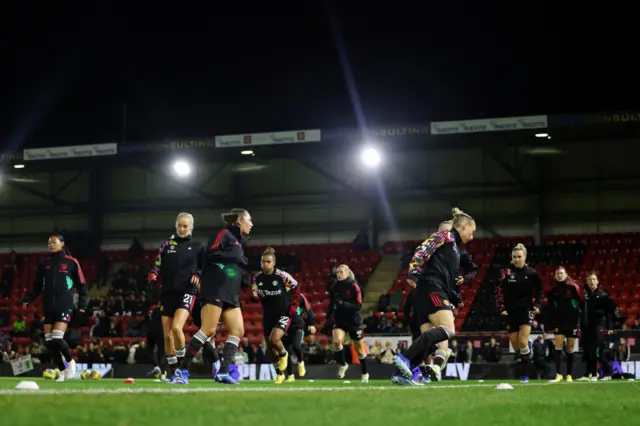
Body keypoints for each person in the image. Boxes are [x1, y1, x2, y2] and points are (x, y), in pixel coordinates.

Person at [393, 208, 476, 385]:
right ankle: (405, 357)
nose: (472, 236)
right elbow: (423, 249)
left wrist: (454, 297)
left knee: (432, 338)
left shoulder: (455, 248)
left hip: (434, 289)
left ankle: (400, 374)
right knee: (448, 329)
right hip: (431, 287)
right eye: (472, 231)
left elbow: (447, 277)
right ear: (465, 226)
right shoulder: (446, 236)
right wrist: (413, 272)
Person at [174, 208, 252, 385]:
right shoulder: (224, 234)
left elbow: (231, 266)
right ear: (239, 221)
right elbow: (210, 253)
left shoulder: (238, 243)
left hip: (230, 292)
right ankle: (182, 370)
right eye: (249, 220)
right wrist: (234, 257)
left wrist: (241, 275)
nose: (252, 224)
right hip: (214, 288)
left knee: (238, 331)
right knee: (208, 330)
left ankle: (223, 372)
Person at [22, 234, 87, 382]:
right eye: (49, 243)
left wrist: (82, 305)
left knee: (58, 337)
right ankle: (63, 371)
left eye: (54, 242)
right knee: (50, 341)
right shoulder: (44, 265)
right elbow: (37, 287)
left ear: (62, 244)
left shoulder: (72, 263)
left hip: (64, 304)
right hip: (47, 307)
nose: (51, 245)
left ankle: (70, 362)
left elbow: (82, 285)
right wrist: (28, 299)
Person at [148, 212, 204, 381]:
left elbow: (203, 267)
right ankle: (174, 372)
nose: (181, 229)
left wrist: (198, 274)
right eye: (179, 225)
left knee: (176, 328)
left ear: (191, 227)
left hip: (187, 291)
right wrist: (153, 273)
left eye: (185, 226)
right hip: (167, 292)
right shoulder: (167, 244)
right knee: (167, 336)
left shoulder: (198, 246)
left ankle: (182, 368)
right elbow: (157, 263)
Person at [252, 247, 301, 384]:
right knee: (270, 348)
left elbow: (296, 287)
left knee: (275, 339)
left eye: (268, 262)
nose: (265, 264)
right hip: (268, 315)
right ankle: (279, 373)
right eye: (263, 262)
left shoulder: (282, 276)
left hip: (283, 313)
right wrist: (255, 294)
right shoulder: (257, 277)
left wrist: (293, 306)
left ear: (273, 263)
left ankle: (284, 355)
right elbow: (254, 289)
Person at [495, 243, 542, 383]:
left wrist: (537, 305)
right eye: (514, 257)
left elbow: (539, 292)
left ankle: (525, 375)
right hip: (510, 312)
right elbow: (497, 291)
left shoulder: (532, 273)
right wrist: (501, 307)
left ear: (525, 257)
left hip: (526, 310)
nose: (517, 259)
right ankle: (527, 354)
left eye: (519, 257)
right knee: (516, 346)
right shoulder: (505, 273)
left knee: (522, 341)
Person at [327, 264, 369, 383]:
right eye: (337, 273)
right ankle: (343, 364)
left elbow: (358, 305)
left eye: (341, 272)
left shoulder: (354, 286)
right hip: (340, 319)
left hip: (353, 320)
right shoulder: (335, 287)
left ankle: (365, 372)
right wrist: (328, 314)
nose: (338, 274)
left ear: (347, 272)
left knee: (359, 350)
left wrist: (343, 304)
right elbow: (332, 302)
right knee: (336, 341)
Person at [546, 266, 582, 383]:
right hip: (559, 323)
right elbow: (550, 309)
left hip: (572, 322)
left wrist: (579, 320)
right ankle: (558, 374)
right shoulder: (552, 291)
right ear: (555, 276)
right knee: (558, 347)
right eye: (558, 273)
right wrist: (550, 323)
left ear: (566, 274)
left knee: (570, 349)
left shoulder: (574, 288)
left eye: (562, 273)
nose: (560, 275)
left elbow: (581, 303)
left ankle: (569, 375)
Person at [578, 271, 615, 381]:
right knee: (587, 350)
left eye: (594, 279)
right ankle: (588, 374)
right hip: (586, 326)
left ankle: (595, 374)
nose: (592, 281)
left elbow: (609, 312)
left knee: (595, 350)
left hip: (598, 326)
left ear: (597, 281)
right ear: (587, 282)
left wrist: (610, 327)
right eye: (590, 279)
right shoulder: (585, 295)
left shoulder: (603, 295)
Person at [283, 293, 316, 382]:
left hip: (297, 326)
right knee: (285, 353)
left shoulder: (299, 295)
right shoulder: (278, 296)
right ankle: (290, 376)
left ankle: (301, 362)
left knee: (296, 346)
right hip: (284, 326)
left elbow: (308, 309)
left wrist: (311, 323)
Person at [146, 303, 167, 381]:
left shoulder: (151, 309)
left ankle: (156, 366)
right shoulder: (163, 309)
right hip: (160, 332)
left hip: (150, 332)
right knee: (162, 353)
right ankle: (163, 375)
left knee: (150, 350)